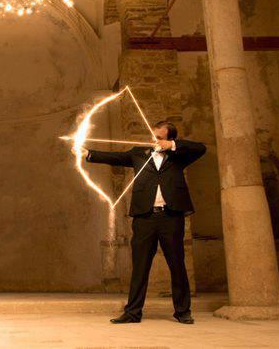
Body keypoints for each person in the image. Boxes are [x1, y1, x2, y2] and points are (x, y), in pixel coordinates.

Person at [79, 121, 205, 324]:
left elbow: (200, 148)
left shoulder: (179, 155)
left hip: (171, 217)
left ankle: (182, 312)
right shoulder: (138, 154)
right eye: (153, 136)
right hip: (144, 218)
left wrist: (172, 146)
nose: (155, 140)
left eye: (160, 138)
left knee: (177, 265)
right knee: (140, 266)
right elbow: (115, 158)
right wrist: (89, 154)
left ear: (170, 139)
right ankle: (132, 313)